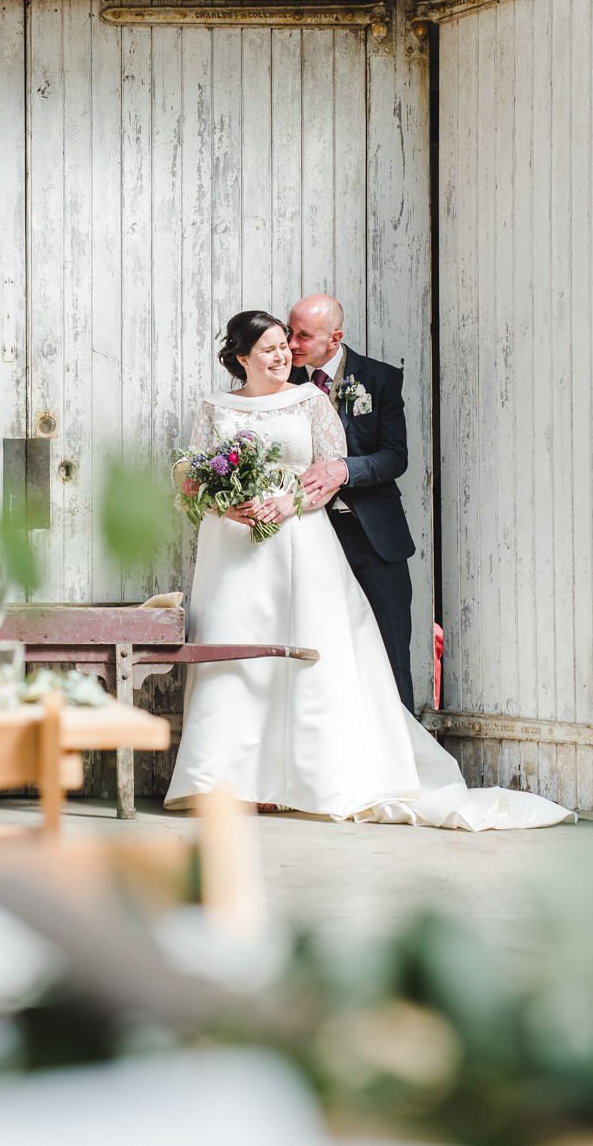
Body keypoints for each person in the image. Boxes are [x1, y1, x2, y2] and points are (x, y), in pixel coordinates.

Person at [164, 310, 571, 829]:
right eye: (268, 348)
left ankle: (306, 777)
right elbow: (191, 472)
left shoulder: (309, 400)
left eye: (284, 345)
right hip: (232, 545)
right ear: (242, 358)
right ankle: (230, 780)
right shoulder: (214, 406)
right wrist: (226, 505)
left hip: (297, 536)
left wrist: (290, 503)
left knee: (307, 648)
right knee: (234, 651)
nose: (283, 353)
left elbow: (331, 470)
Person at [285, 294, 419, 713]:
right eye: (290, 331)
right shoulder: (280, 381)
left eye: (303, 335)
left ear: (335, 337)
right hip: (308, 538)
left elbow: (395, 456)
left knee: (391, 649)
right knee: (321, 653)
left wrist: (344, 470)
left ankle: (407, 757)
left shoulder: (379, 379)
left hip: (375, 540)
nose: (290, 344)